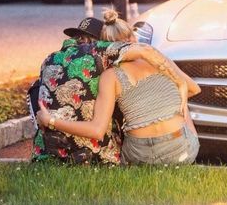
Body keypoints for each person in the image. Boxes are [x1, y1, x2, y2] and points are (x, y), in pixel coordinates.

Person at [37, 9, 201, 165]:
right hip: (180, 151)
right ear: (132, 36)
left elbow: (96, 129)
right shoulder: (158, 58)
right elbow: (194, 89)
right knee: (183, 105)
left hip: (139, 154)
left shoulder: (109, 75)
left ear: (107, 46)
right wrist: (173, 91)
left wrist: (50, 120)